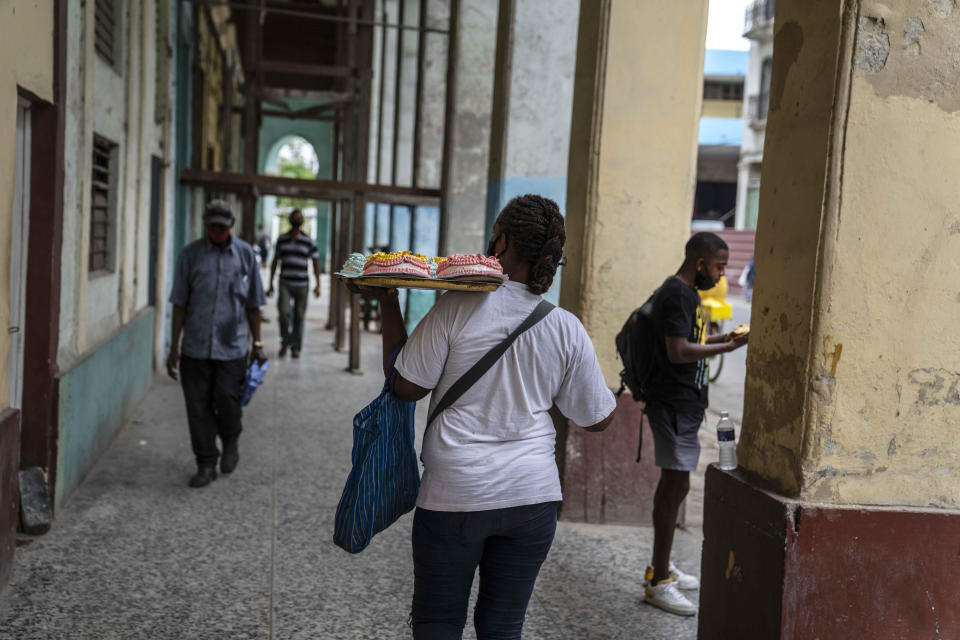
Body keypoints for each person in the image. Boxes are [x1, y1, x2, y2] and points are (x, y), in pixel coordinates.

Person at [348, 194, 617, 639]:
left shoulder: (458, 305)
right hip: (532, 499)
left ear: (502, 240)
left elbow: (405, 386)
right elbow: (595, 418)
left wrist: (387, 300)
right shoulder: (565, 325)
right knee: (503, 626)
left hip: (456, 494)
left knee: (439, 621)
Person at [642, 232, 748, 616]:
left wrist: (724, 337)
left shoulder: (682, 295)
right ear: (700, 263)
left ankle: (663, 564)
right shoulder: (680, 294)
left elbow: (690, 339)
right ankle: (658, 582)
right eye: (719, 267)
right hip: (673, 404)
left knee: (678, 483)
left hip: (680, 404)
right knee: (674, 485)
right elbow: (679, 350)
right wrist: (727, 348)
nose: (721, 276)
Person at [166, 200, 267, 488]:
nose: (217, 231)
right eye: (212, 227)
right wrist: (174, 347)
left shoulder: (246, 255)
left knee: (227, 400)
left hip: (232, 347)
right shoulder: (190, 255)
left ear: (231, 225)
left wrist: (257, 343)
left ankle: (231, 436)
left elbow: (254, 304)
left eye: (222, 227)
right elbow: (179, 304)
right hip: (195, 347)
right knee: (197, 408)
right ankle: (206, 463)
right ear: (204, 225)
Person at [266, 209, 322, 358]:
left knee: (299, 316)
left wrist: (318, 284)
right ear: (290, 220)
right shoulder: (282, 239)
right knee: (284, 313)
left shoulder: (308, 241)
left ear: (302, 221)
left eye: (299, 218)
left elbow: (316, 262)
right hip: (285, 282)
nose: (297, 220)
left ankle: (295, 346)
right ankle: (285, 341)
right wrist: (270, 283)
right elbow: (275, 261)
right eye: (294, 217)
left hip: (302, 284)